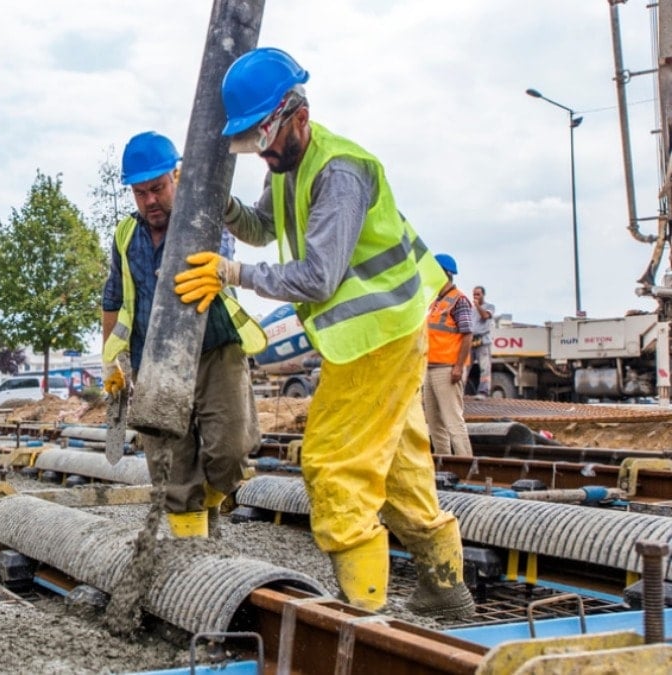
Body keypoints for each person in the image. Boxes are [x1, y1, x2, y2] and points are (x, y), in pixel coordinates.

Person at [172, 47, 474, 618]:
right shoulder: (290, 165)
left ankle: (362, 609)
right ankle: (446, 588)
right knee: (401, 469)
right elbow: (264, 227)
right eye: (250, 144)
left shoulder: (338, 173)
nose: (261, 154)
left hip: (378, 337)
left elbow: (318, 276)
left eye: (263, 140)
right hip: (375, 338)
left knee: (334, 461)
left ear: (298, 117)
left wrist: (233, 273)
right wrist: (224, 206)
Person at [102, 131, 267, 539]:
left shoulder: (203, 219)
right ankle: (190, 551)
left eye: (157, 188)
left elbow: (226, 249)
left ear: (176, 176)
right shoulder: (126, 235)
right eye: (140, 193)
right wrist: (112, 361)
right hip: (153, 361)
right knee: (171, 466)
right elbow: (113, 297)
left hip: (213, 349)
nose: (150, 200)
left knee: (229, 451)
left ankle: (211, 497)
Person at [424, 255, 474, 457]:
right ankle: (443, 467)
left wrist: (458, 367)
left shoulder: (458, 300)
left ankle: (466, 465)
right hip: (430, 368)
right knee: (435, 423)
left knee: (453, 422)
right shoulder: (435, 302)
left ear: (444, 273)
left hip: (447, 369)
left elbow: (467, 334)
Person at [470, 286, 495, 398]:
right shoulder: (470, 309)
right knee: (465, 367)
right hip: (471, 341)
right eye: (474, 294)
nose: (475, 296)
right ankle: (459, 391)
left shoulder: (489, 307)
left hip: (483, 342)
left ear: (483, 295)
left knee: (484, 368)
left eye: (478, 294)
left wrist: (478, 306)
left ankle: (483, 391)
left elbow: (485, 316)